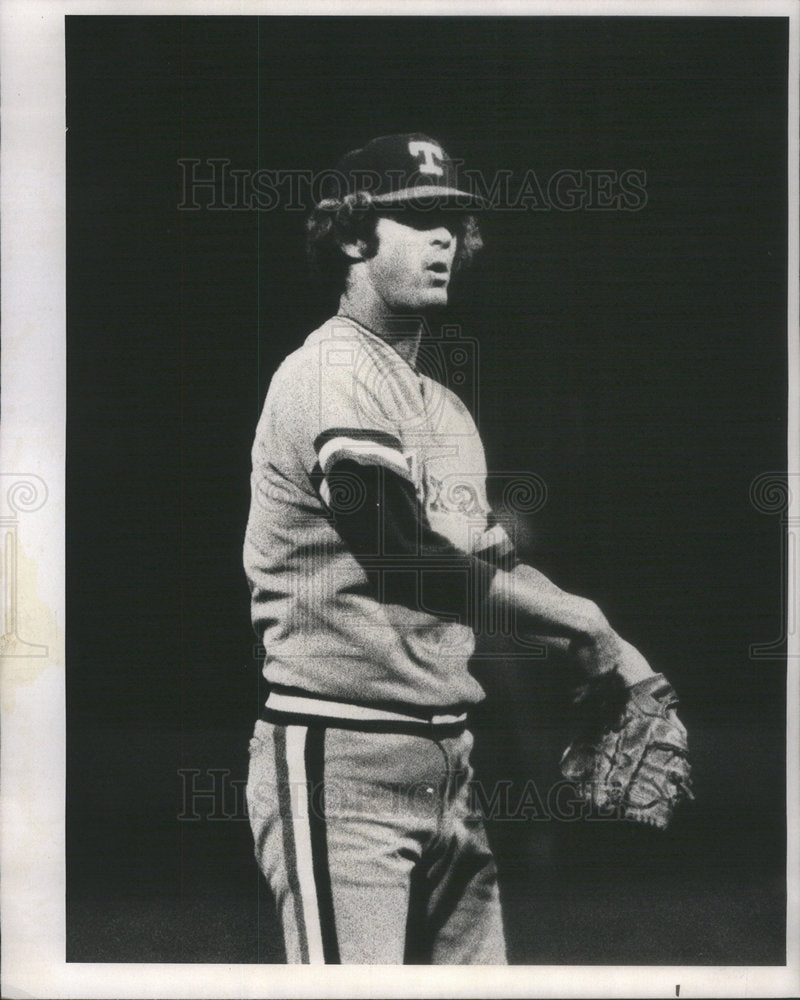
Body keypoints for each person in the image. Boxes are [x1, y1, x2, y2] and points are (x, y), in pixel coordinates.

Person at [243, 133, 655, 964]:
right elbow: (404, 559)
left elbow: (489, 570)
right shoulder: (325, 374)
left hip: (449, 766)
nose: (446, 238)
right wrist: (587, 624)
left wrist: (622, 661)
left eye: (455, 221)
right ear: (355, 236)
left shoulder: (441, 408)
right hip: (339, 756)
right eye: (421, 217)